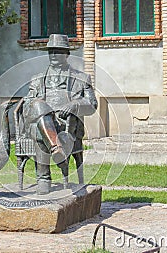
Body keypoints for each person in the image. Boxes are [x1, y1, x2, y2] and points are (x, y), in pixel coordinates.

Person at [22, 34, 98, 194]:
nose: (54, 55)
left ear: (67, 54)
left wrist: (75, 104)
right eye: (51, 51)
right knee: (37, 110)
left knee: (40, 125)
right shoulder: (37, 79)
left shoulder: (82, 78)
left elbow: (92, 105)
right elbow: (27, 105)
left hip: (67, 124)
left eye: (59, 51)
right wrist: (40, 107)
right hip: (41, 122)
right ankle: (52, 159)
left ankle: (45, 173)